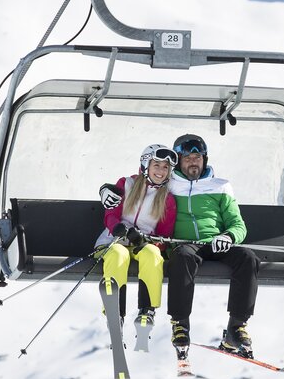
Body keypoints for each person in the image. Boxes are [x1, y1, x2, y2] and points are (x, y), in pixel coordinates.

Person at [166, 133, 260, 358]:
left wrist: (228, 237)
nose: (193, 162)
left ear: (205, 159)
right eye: (187, 158)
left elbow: (238, 225)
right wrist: (108, 189)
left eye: (197, 157)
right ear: (178, 160)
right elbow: (139, 185)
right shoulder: (168, 185)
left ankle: (236, 327)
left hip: (217, 244)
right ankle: (180, 324)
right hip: (186, 245)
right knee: (183, 257)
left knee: (248, 258)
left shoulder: (221, 186)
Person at [95, 144, 177, 336]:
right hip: (112, 242)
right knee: (118, 254)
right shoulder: (126, 184)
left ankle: (147, 311)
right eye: (157, 165)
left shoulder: (167, 199)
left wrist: (147, 241)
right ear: (145, 164)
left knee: (152, 253)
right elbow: (111, 214)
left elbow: (164, 237)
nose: (161, 171)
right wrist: (119, 229)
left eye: (165, 167)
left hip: (142, 245)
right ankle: (115, 312)